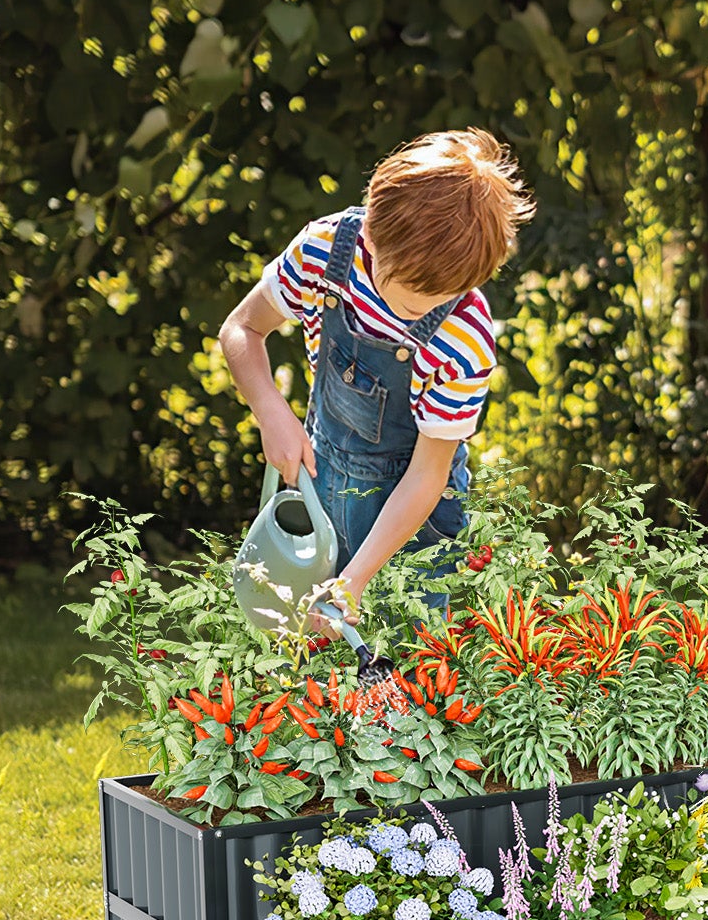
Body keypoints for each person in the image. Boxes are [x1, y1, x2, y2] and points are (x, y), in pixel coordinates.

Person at [219, 128, 534, 621]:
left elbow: (428, 474)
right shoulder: (325, 252)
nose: (420, 312)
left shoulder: (465, 337)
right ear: (370, 234)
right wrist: (271, 413)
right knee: (304, 655)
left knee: (409, 669)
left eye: (442, 296)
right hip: (322, 484)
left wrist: (354, 579)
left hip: (415, 522)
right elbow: (240, 329)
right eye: (410, 294)